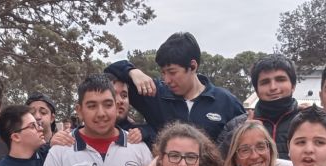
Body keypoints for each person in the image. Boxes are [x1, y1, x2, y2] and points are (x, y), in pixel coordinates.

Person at [104, 32, 245, 141]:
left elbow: (244, 139)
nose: (167, 80)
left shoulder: (226, 101)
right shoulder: (154, 94)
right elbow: (110, 71)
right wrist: (133, 71)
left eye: (172, 72)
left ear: (193, 66)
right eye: (163, 73)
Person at [218, 54, 300, 159]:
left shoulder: (309, 121)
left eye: (280, 79)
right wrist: (238, 134)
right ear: (256, 90)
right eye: (265, 82)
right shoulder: (235, 125)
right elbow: (216, 164)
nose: (273, 87)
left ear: (293, 86)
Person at [107, 73, 156, 147]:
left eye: (124, 95)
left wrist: (147, 134)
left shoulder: (141, 133)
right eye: (113, 94)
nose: (120, 101)